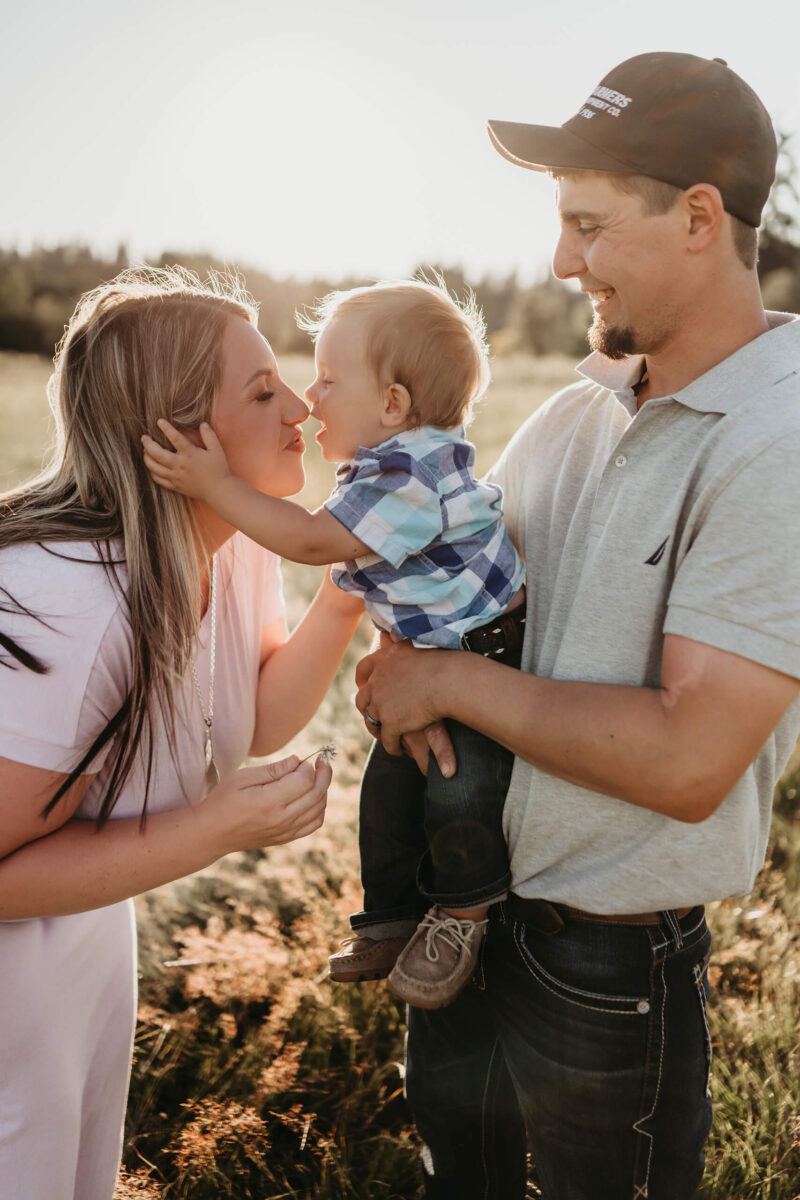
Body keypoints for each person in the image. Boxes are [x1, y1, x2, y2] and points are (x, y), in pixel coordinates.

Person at [352, 52, 800, 1200]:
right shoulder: (571, 410)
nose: (561, 262)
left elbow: (688, 759)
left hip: (605, 961)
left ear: (696, 217)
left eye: (588, 226)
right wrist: (400, 654)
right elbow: (448, 592)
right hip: (461, 920)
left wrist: (443, 687)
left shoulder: (779, 440)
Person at [0, 267, 365, 1200]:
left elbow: (252, 715)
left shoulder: (230, 541)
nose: (300, 409)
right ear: (174, 435)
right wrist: (212, 831)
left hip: (86, 940)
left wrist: (346, 588)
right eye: (263, 392)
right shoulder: (74, 602)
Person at [141, 280, 526, 1009]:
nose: (309, 400)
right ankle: (392, 917)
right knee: (387, 791)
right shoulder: (389, 465)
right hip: (441, 652)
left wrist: (216, 484)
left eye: (326, 380)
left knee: (461, 788)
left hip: (485, 655)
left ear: (393, 404)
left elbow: (314, 540)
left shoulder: (408, 478)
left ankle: (464, 918)